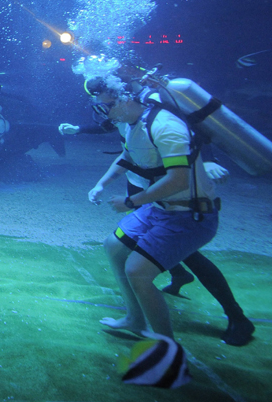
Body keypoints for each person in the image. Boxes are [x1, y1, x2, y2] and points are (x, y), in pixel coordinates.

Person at [67, 77, 255, 346]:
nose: (101, 113)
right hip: (160, 208)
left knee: (138, 271)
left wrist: (132, 202)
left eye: (104, 106)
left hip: (191, 214)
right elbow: (128, 156)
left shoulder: (165, 125)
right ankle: (135, 319)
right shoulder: (130, 124)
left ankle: (166, 349)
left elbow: (178, 180)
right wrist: (101, 184)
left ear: (124, 99)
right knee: (114, 246)